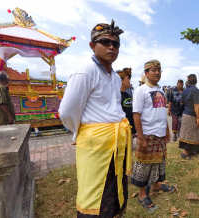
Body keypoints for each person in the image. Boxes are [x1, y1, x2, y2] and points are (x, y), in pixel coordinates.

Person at [58, 21, 132, 218]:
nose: (111, 47)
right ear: (92, 45)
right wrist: (79, 132)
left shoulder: (115, 78)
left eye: (116, 44)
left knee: (115, 189)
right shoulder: (85, 71)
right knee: (94, 195)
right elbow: (66, 111)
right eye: (105, 42)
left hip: (116, 143)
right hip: (95, 145)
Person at [131, 60, 174, 212]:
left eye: (159, 70)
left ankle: (156, 185)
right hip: (148, 134)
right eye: (153, 70)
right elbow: (136, 114)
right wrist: (140, 137)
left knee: (159, 162)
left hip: (160, 134)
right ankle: (143, 194)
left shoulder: (161, 90)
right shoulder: (140, 90)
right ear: (146, 73)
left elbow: (162, 112)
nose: (157, 72)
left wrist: (167, 130)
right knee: (144, 164)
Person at [178, 74, 199, 159]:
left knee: (188, 134)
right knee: (190, 134)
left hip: (185, 114)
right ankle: (185, 153)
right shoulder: (195, 90)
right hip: (191, 115)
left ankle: (190, 151)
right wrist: (198, 118)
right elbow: (196, 105)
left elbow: (182, 102)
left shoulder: (185, 90)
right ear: (195, 80)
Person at [118, 68, 136, 136]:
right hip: (121, 132)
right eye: (128, 78)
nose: (129, 81)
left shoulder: (127, 95)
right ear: (121, 80)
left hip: (131, 130)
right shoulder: (116, 96)